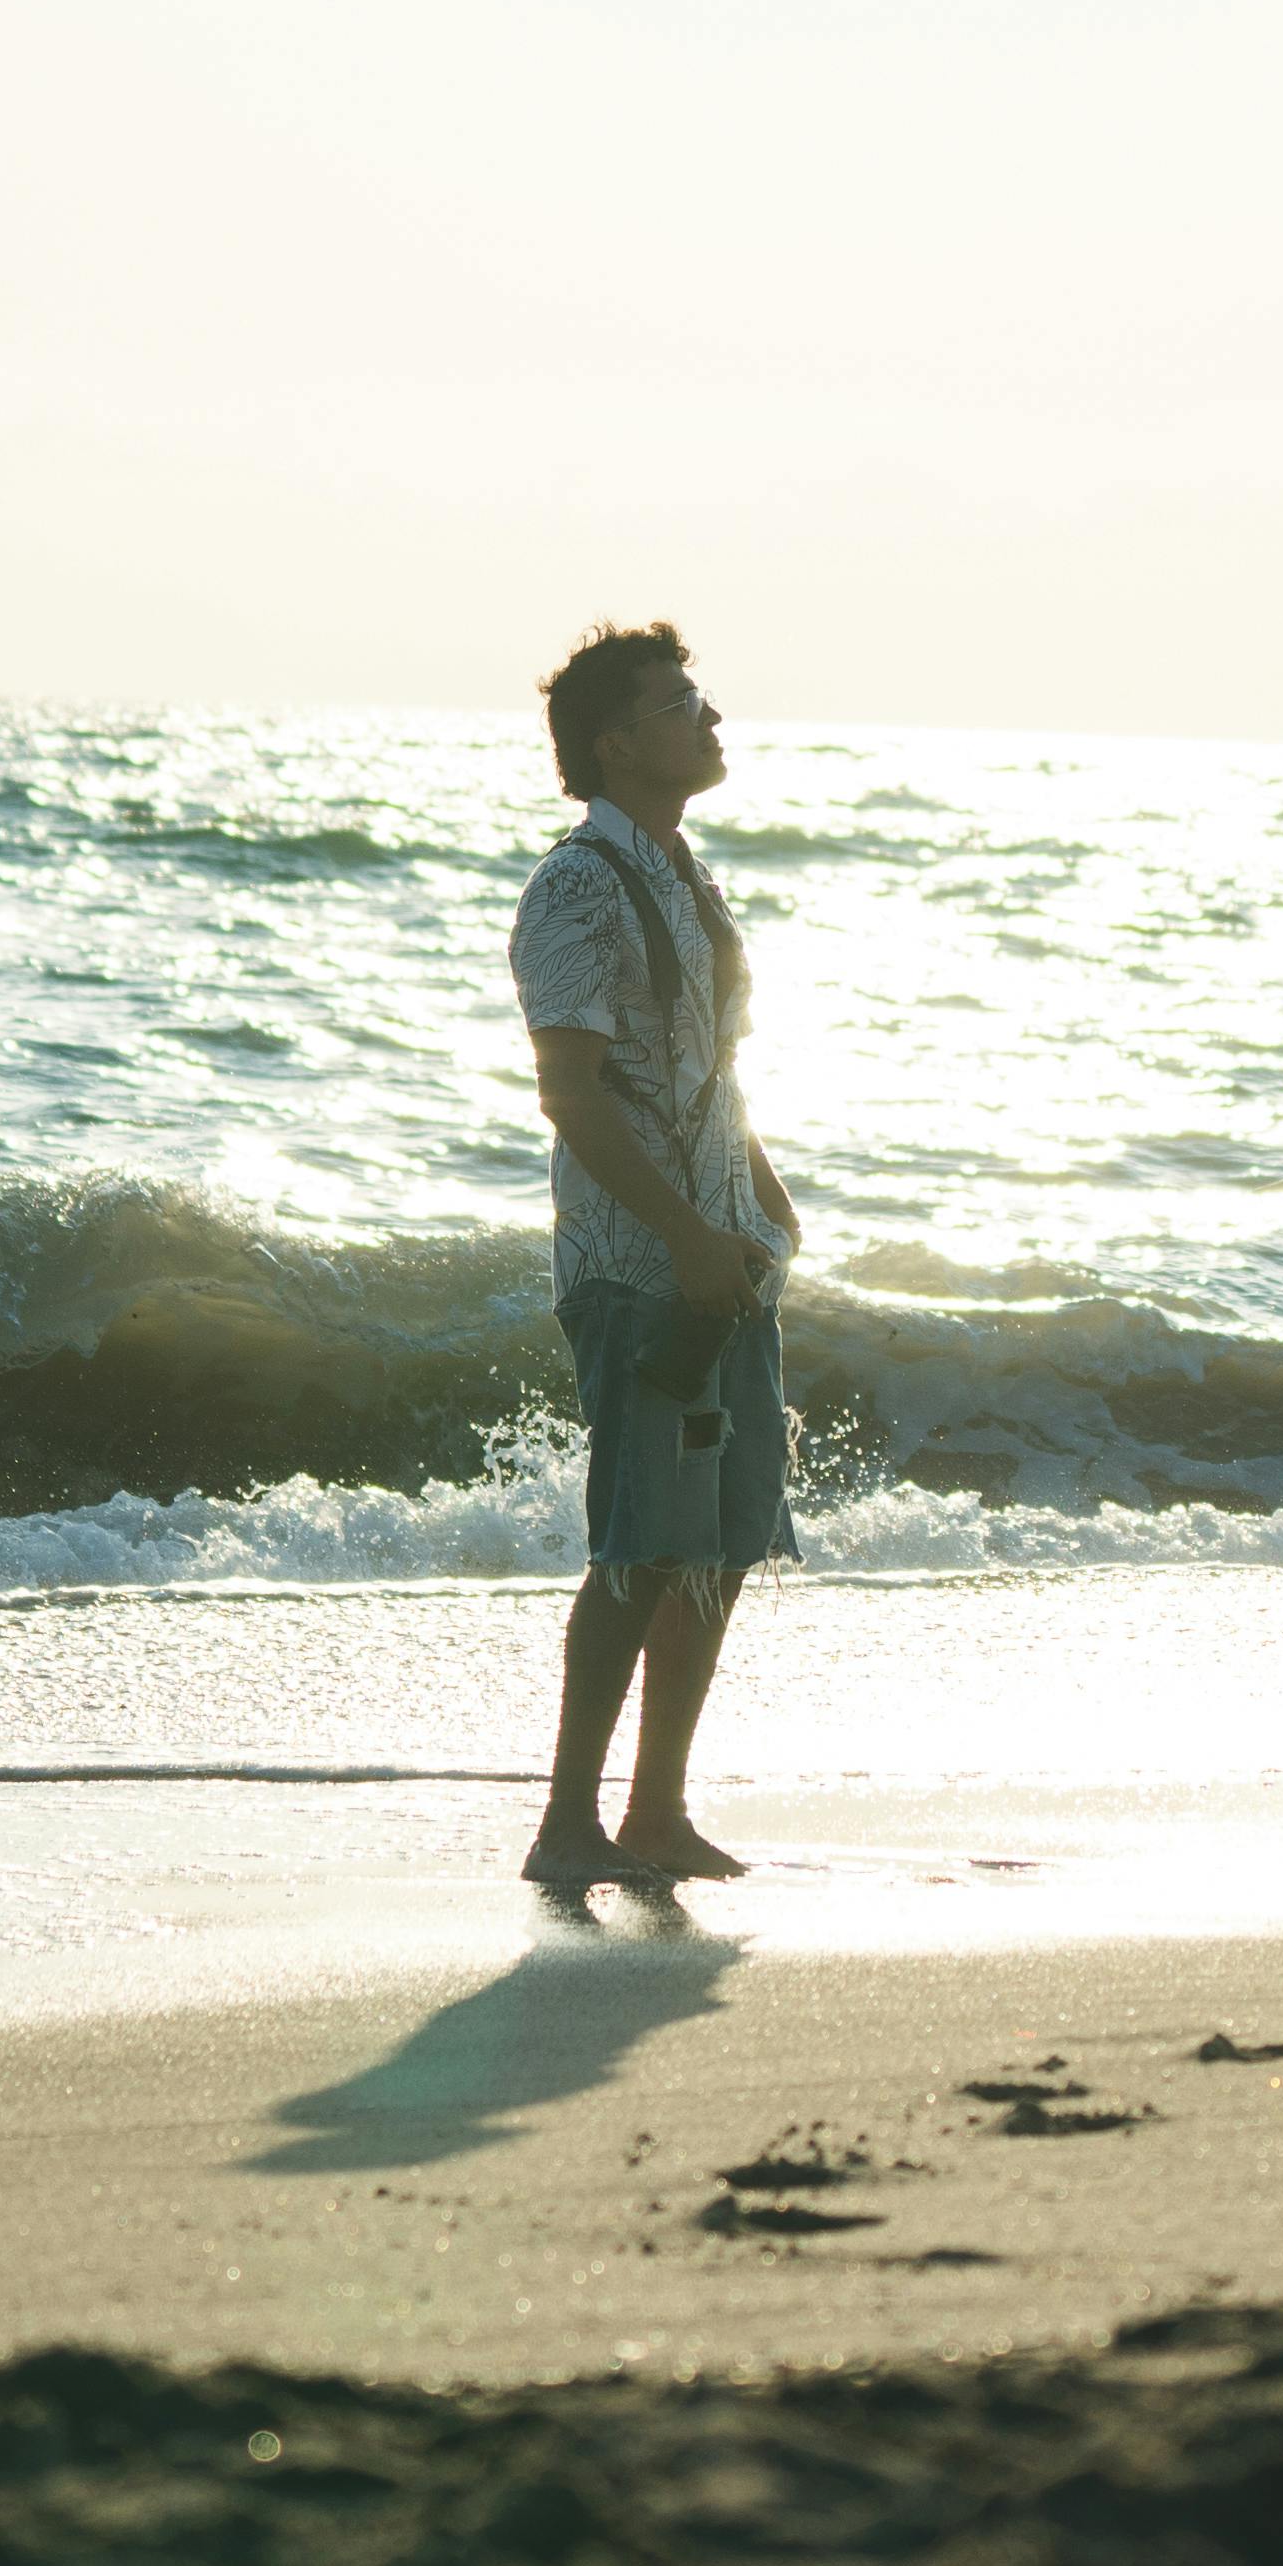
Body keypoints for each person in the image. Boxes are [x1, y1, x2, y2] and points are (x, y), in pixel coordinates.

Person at [507, 622, 801, 1889]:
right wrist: (685, 1237)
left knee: (721, 1541)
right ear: (617, 743)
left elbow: (706, 1071)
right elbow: (572, 1093)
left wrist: (764, 1211)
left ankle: (657, 1814)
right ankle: (567, 1822)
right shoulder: (576, 885)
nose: (709, 717)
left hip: (720, 1249)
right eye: (681, 703)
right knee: (637, 1541)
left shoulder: (684, 870)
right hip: (638, 1265)